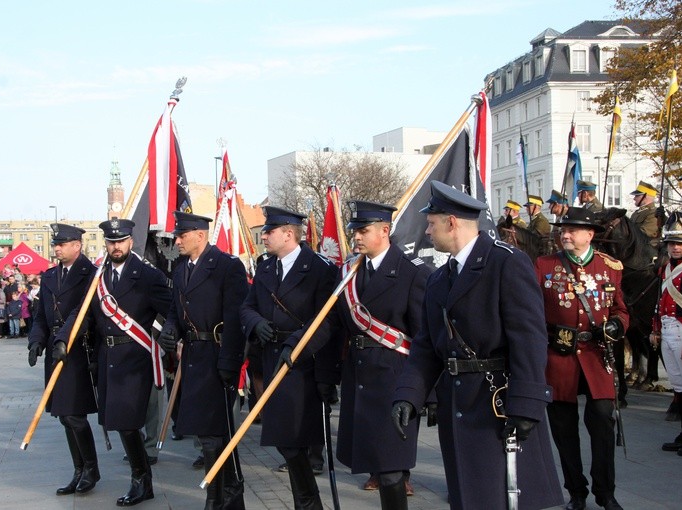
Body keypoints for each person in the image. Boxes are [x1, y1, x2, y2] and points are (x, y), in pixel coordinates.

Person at [392, 181, 563, 510]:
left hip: (498, 402)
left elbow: (529, 338)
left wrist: (527, 404)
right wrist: (408, 395)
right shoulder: (440, 278)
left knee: (500, 496)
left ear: (451, 222)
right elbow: (426, 347)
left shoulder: (506, 263)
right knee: (468, 497)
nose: (427, 231)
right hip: (458, 401)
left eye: (431, 223)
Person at [58, 218, 172, 507]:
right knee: (118, 421)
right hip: (108, 357)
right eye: (111, 241)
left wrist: (160, 335)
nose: (116, 246)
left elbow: (172, 309)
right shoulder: (99, 277)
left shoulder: (147, 275)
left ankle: (141, 481)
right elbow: (81, 313)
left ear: (131, 241)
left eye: (121, 241)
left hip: (135, 357)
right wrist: (63, 338)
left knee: (128, 422)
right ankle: (140, 478)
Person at [239, 206, 338, 510]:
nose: (264, 236)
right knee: (284, 440)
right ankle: (307, 502)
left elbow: (328, 322)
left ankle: (307, 503)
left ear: (289, 233)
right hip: (272, 360)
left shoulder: (320, 268)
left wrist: (325, 376)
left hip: (303, 365)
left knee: (295, 441)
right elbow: (246, 307)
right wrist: (256, 323)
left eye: (269, 231)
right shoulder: (267, 268)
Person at [335, 200, 430, 507]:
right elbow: (331, 325)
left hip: (394, 380)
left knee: (391, 472)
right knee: (375, 466)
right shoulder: (349, 272)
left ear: (385, 230)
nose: (356, 237)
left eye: (363, 230)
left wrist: (429, 395)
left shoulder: (413, 273)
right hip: (358, 376)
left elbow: (424, 339)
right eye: (354, 231)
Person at [535, 207, 629, 510]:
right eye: (563, 229)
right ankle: (576, 491)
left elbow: (620, 310)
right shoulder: (544, 265)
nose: (565, 234)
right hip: (559, 355)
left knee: (603, 421)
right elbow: (532, 311)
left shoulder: (609, 267)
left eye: (573, 229)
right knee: (564, 429)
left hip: (596, 355)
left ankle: (606, 491)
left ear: (589, 235)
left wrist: (617, 324)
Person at [159, 212, 250, 508]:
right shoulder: (181, 269)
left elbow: (236, 319)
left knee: (216, 433)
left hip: (217, 353)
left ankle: (220, 496)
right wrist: (170, 331)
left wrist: (230, 363)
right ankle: (225, 493)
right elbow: (175, 309)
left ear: (200, 234)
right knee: (206, 432)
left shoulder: (227, 266)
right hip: (193, 357)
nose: (177, 240)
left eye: (182, 235)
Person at [27, 223, 100, 497]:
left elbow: (84, 313)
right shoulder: (49, 277)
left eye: (62, 243)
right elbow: (41, 316)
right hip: (54, 348)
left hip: (76, 349)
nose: (56, 248)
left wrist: (63, 340)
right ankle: (79, 469)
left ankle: (90, 469)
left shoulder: (89, 274)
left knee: (74, 414)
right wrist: (36, 341)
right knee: (63, 416)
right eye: (55, 243)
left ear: (77, 245)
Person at [651, 211, 682, 455]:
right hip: (667, 330)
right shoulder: (666, 270)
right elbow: (659, 301)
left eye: (680, 243)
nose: (674, 248)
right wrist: (656, 329)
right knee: (679, 386)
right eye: (672, 243)